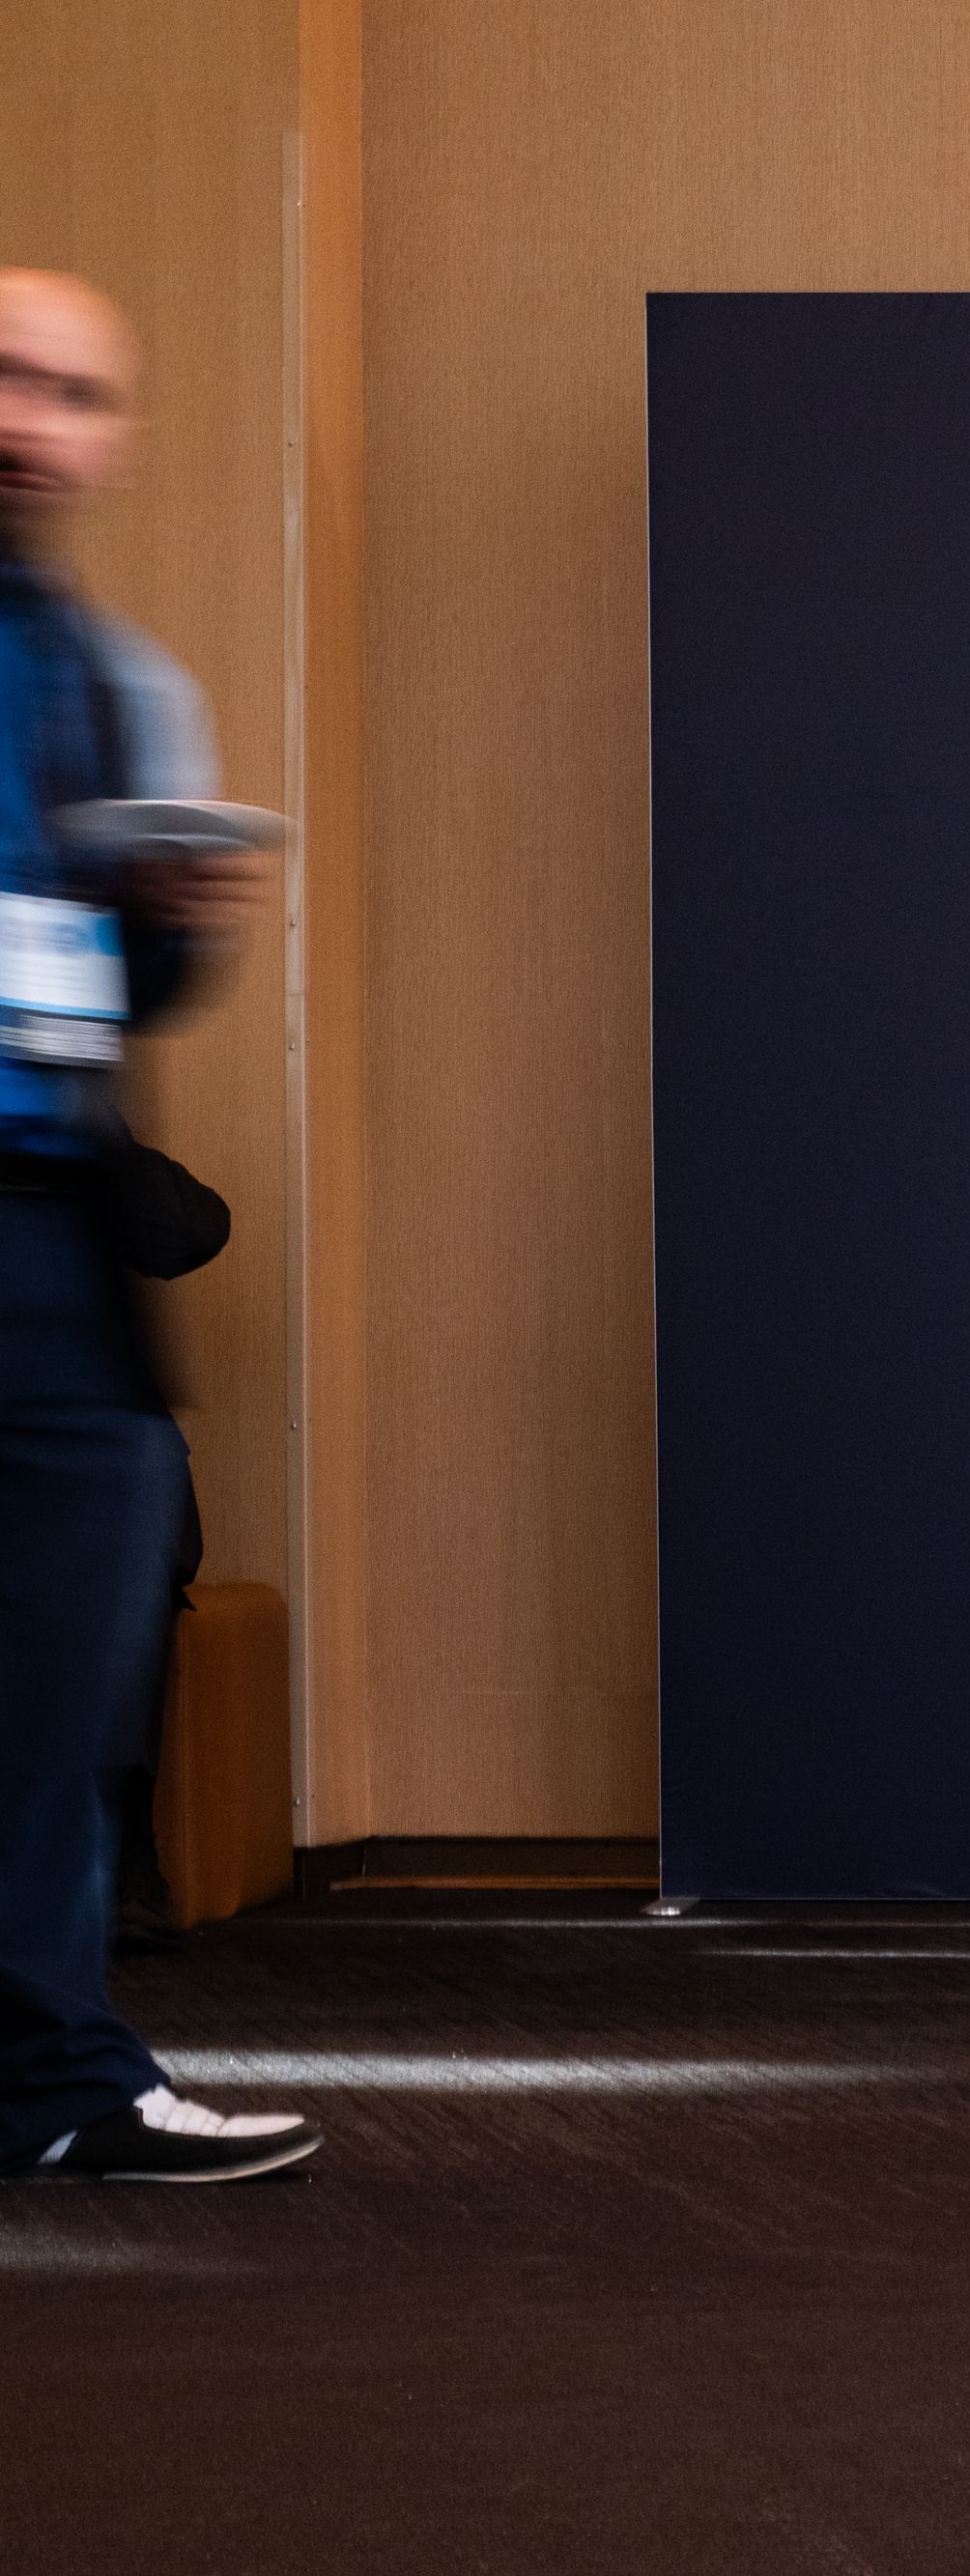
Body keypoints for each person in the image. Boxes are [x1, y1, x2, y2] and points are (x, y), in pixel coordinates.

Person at [0, 266, 314, 2181]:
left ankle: (52, 2079)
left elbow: (105, 986)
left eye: (67, 391)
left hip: (47, 1238)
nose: (27, 418)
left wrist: (179, 925)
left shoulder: (117, 682)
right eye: (2, 376)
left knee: (63, 1670)